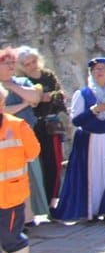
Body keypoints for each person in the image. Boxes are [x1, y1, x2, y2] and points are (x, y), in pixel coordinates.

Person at [52, 56, 105, 222]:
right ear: (91, 72)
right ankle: (90, 210)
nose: (99, 72)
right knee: (90, 176)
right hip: (89, 141)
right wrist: (92, 111)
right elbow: (76, 121)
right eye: (96, 69)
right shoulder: (83, 94)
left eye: (103, 68)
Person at [0, 49, 48, 221]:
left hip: (26, 139)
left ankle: (29, 217)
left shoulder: (21, 81)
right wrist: (23, 104)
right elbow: (3, 110)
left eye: (13, 63)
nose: (11, 66)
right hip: (5, 142)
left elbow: (35, 97)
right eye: (7, 63)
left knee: (30, 179)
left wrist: (12, 86)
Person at [16, 47, 66, 204]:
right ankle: (40, 203)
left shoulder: (48, 76)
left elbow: (60, 95)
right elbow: (26, 103)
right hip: (33, 126)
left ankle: (52, 201)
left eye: (34, 61)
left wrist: (50, 97)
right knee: (36, 166)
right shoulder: (22, 82)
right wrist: (37, 99)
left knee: (54, 163)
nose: (32, 65)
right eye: (27, 63)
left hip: (50, 125)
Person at [0, 83, 39, 253]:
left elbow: (33, 153)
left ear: (2, 102)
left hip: (10, 198)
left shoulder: (18, 126)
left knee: (12, 243)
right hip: (10, 196)